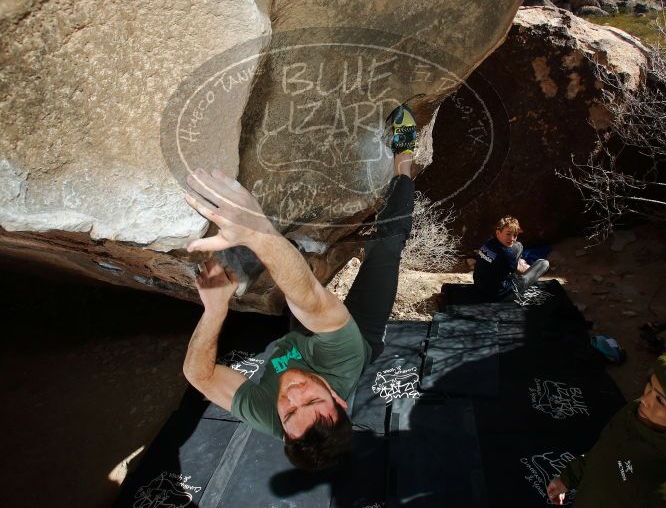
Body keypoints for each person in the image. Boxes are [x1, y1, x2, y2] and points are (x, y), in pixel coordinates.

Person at [181, 104, 417, 471]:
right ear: (338, 401)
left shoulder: (269, 417)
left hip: (305, 337)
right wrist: (257, 233)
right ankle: (405, 155)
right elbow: (308, 299)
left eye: (289, 411)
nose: (292, 394)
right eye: (310, 401)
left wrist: (215, 311)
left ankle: (309, 254)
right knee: (388, 244)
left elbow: (201, 377)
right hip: (358, 340)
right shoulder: (344, 361)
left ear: (283, 429)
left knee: (293, 272)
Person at [546, 349, 666, 507]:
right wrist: (569, 478)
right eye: (649, 386)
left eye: (660, 400)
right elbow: (608, 450)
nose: (644, 400)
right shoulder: (636, 418)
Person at [473, 216, 550, 300]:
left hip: (479, 287)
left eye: (515, 235)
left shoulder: (488, 243)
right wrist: (525, 266)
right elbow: (520, 270)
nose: (512, 239)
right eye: (508, 234)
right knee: (544, 263)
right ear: (498, 233)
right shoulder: (509, 253)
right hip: (500, 295)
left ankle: (518, 262)